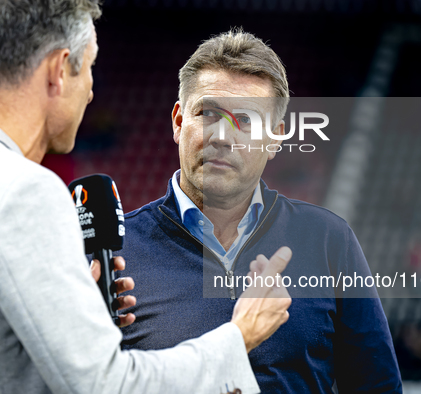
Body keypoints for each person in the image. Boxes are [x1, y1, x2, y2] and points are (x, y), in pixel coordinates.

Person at [0, 3, 293, 393]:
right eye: (90, 67)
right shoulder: (25, 193)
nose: (92, 91)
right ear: (59, 70)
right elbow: (108, 386)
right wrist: (239, 337)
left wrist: (74, 320)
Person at [116, 29, 403, 393]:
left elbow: (377, 387)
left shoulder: (329, 240)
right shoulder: (117, 254)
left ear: (275, 139)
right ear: (177, 122)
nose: (222, 135)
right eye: (207, 113)